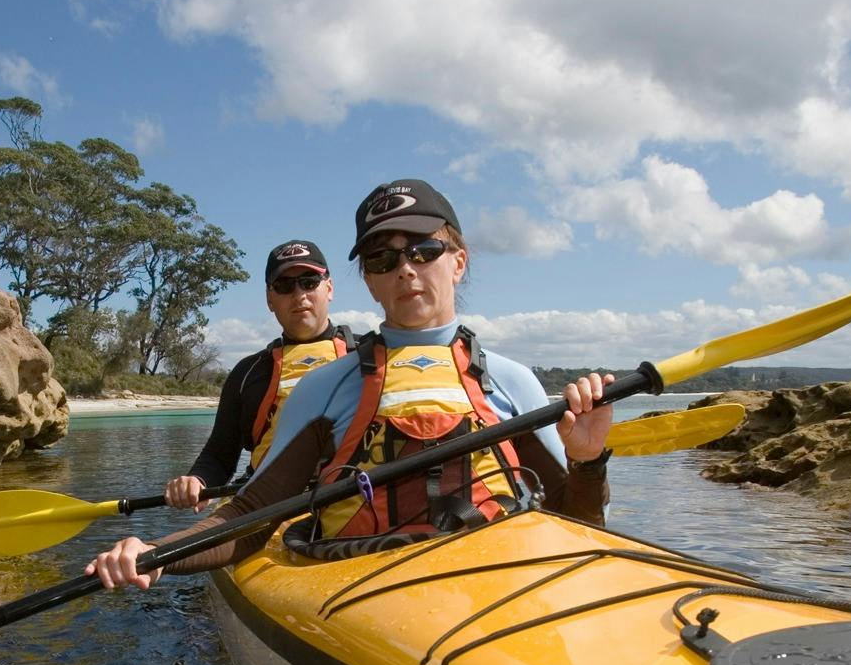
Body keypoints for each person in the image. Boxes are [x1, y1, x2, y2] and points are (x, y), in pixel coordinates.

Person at [89, 178, 613, 589]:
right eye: (383, 259)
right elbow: (251, 515)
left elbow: (578, 519)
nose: (406, 269)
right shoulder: (325, 389)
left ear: (459, 260)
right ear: (368, 280)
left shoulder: (512, 382)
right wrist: (155, 555)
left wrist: (588, 460)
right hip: (360, 580)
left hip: (497, 577)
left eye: (424, 250)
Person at [161, 239, 352, 509]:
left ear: (329, 288)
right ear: (269, 299)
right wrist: (196, 480)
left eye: (309, 282)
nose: (299, 295)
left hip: (349, 503)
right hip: (266, 507)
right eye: (284, 286)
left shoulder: (371, 356)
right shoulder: (248, 373)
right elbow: (218, 456)